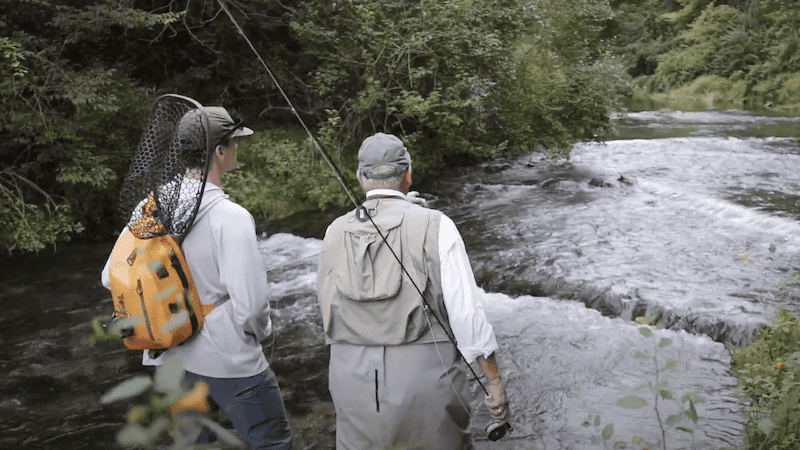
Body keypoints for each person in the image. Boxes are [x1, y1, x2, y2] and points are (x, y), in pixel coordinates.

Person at [101, 106, 292, 449]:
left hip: (170, 359)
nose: (236, 149)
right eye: (234, 143)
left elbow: (109, 277)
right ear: (220, 152)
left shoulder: (149, 207)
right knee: (271, 443)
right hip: (231, 359)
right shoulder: (231, 217)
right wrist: (260, 335)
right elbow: (250, 308)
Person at [316, 132, 510, 449]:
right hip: (422, 387)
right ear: (408, 173)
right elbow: (466, 316)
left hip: (351, 383)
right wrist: (494, 381)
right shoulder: (438, 225)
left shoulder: (334, 230)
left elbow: (328, 308)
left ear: (359, 177)